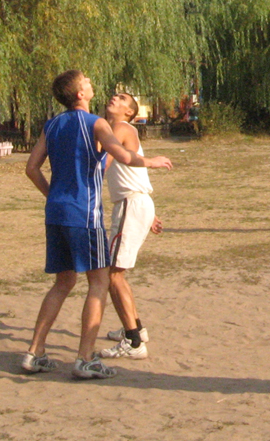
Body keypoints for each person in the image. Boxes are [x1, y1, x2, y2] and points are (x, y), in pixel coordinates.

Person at [20, 70, 171, 380]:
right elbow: (123, 155)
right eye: (87, 82)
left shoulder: (52, 125)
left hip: (56, 213)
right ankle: (85, 358)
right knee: (100, 281)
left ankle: (34, 353)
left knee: (63, 283)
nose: (92, 84)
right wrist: (151, 161)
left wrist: (53, 195)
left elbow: (31, 168)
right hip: (83, 215)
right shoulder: (96, 124)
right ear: (80, 94)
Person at [98, 92, 162, 360]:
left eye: (121, 98)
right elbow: (135, 170)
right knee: (117, 273)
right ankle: (136, 328)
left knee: (112, 275)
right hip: (136, 204)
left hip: (131, 205)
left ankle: (133, 341)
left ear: (129, 112)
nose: (114, 97)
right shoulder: (119, 128)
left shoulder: (121, 128)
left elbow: (102, 164)